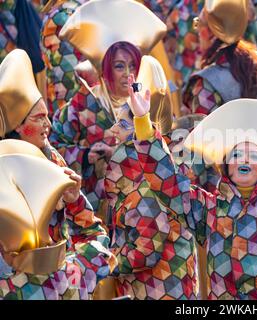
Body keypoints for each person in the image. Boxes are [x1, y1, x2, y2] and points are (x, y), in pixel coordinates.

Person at [125, 67, 257, 299]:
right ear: (226, 166)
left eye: (255, 156)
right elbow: (168, 184)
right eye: (237, 155)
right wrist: (142, 122)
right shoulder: (209, 209)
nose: (245, 159)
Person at [0, 48, 116, 300]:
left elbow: (92, 234)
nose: (48, 125)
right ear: (19, 126)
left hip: (59, 279)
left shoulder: (51, 157)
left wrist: (74, 201)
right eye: (39, 118)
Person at [49, 0, 168, 224]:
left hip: (144, 215)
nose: (127, 74)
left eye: (133, 66)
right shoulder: (82, 104)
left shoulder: (148, 103)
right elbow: (52, 147)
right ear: (106, 70)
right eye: (119, 66)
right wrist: (86, 154)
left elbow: (167, 154)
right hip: (93, 212)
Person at [103, 56, 199, 300]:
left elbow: (147, 248)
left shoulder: (145, 175)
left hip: (157, 289)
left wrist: (105, 264)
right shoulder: (150, 165)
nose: (113, 130)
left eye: (122, 123)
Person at [181, 0, 257, 115]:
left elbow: (202, 130)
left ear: (212, 33)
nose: (197, 30)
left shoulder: (206, 84)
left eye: (198, 23)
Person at [41, 0, 89, 118]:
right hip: (68, 98)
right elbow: (69, 71)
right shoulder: (68, 13)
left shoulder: (66, 10)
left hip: (63, 94)